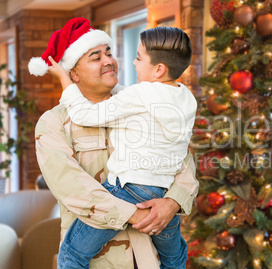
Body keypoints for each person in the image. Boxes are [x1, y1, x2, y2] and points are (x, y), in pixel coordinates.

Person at [31, 17, 198, 269]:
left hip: (147, 257)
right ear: (72, 73)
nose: (108, 60)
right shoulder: (54, 123)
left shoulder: (142, 99)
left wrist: (172, 203)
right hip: (99, 261)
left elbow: (182, 159)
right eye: (95, 57)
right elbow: (70, 186)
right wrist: (136, 213)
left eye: (108, 53)